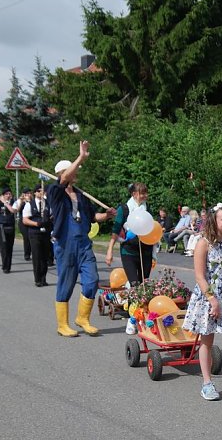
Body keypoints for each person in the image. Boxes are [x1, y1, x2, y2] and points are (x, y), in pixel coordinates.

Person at [47, 141, 116, 337]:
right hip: (65, 244)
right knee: (66, 284)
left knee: (92, 281)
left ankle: (82, 318)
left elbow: (94, 217)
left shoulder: (81, 195)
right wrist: (81, 157)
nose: (76, 173)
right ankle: (62, 325)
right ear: (63, 173)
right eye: (72, 170)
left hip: (84, 244)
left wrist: (108, 215)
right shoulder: (55, 192)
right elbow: (65, 178)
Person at [182, 202, 222, 403]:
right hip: (208, 294)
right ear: (214, 220)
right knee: (207, 340)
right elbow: (200, 276)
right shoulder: (203, 243)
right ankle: (207, 383)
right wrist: (212, 300)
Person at [106, 183, 154, 335]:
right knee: (135, 286)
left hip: (145, 252)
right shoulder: (124, 209)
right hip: (128, 252)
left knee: (144, 285)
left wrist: (154, 255)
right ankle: (132, 320)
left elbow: (153, 231)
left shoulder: (147, 209)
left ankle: (142, 316)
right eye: (141, 193)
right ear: (134, 194)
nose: (144, 196)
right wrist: (109, 250)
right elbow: (115, 229)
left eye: (146, 193)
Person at [22, 184, 52, 287]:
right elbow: (25, 220)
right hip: (35, 233)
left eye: (42, 191)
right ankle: (38, 279)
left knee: (45, 256)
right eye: (39, 191)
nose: (41, 193)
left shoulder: (47, 203)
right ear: (35, 193)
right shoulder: (30, 204)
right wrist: (36, 224)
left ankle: (43, 278)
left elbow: (52, 215)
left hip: (46, 233)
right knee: (37, 256)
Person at [0, 188, 18, 274]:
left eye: (9, 194)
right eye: (6, 194)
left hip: (10, 225)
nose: (8, 195)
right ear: (3, 195)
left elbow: (13, 211)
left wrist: (5, 203)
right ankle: (5, 265)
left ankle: (8, 266)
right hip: (1, 226)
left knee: (10, 246)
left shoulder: (14, 202)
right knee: (3, 246)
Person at [15, 188, 33, 261]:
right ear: (23, 194)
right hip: (23, 222)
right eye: (26, 194)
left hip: (31, 221)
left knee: (31, 237)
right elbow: (17, 210)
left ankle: (32, 252)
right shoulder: (20, 201)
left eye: (29, 193)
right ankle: (27, 254)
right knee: (26, 238)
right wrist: (22, 202)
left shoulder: (33, 201)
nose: (28, 195)